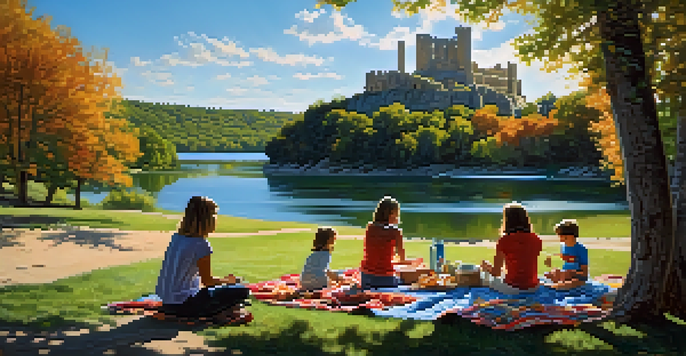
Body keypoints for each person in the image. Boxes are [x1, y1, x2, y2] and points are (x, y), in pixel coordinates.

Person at [155, 196, 252, 324]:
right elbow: (208, 281)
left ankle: (224, 310)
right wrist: (228, 281)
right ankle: (220, 313)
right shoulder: (200, 244)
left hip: (167, 303)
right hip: (185, 304)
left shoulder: (177, 238)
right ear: (208, 219)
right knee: (242, 290)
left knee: (225, 291)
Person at [481, 202, 543, 294]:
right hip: (534, 287)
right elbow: (523, 264)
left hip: (513, 288)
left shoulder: (504, 241)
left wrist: (487, 267)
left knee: (483, 277)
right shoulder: (536, 239)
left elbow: (496, 273)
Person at [359, 196, 405, 289]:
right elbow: (402, 258)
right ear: (392, 213)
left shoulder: (370, 227)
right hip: (384, 277)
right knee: (409, 280)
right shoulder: (395, 232)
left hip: (366, 276)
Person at [544, 219, 589, 289]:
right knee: (549, 274)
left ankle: (558, 285)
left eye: (563, 236)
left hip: (577, 277)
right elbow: (565, 263)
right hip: (565, 275)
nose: (560, 239)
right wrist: (550, 265)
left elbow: (584, 274)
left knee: (575, 282)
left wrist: (569, 273)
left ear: (572, 235)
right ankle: (560, 284)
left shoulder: (581, 249)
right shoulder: (563, 246)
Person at [300, 227, 342, 291]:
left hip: (304, 282)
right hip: (317, 283)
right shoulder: (325, 254)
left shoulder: (312, 255)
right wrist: (338, 279)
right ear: (329, 240)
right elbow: (326, 271)